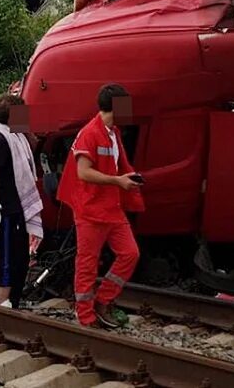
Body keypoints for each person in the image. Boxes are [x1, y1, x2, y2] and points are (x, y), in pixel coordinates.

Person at [57, 83, 144, 328]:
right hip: (91, 210)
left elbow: (114, 165)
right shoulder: (90, 132)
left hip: (110, 207)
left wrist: (128, 178)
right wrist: (118, 181)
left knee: (130, 254)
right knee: (87, 263)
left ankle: (103, 299)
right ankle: (85, 316)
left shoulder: (112, 132)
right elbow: (83, 173)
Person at [0, 93, 43, 309]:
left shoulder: (18, 136)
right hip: (6, 208)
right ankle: (3, 302)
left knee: (21, 257)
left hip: (19, 207)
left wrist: (26, 129)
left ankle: (14, 300)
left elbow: (34, 147)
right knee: (7, 258)